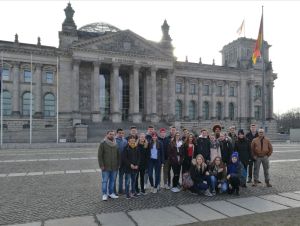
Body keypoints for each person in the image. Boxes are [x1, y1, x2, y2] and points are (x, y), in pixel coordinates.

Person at [98, 130, 120, 201]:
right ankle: (104, 194)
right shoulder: (103, 143)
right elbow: (100, 155)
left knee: (112, 181)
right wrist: (101, 165)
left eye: (113, 134)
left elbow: (118, 155)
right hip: (105, 166)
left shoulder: (116, 144)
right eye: (110, 134)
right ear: (107, 135)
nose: (112, 136)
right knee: (105, 181)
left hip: (114, 166)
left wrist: (118, 164)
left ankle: (111, 193)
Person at [115, 128, 127, 195]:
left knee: (121, 176)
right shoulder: (114, 140)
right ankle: (113, 191)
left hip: (123, 162)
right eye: (119, 133)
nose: (121, 134)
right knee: (114, 177)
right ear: (117, 133)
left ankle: (120, 190)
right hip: (116, 162)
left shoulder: (125, 141)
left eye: (122, 133)